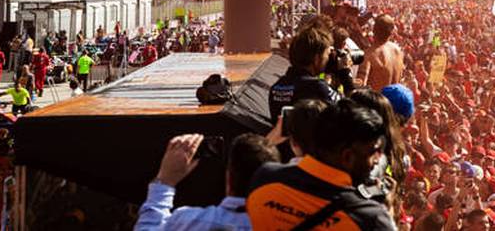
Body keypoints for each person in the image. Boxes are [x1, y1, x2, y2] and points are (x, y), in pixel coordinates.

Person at [247, 100, 394, 231]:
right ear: (347, 157)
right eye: (374, 152)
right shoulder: (369, 220)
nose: (378, 159)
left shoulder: (264, 178)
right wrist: (388, 210)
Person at [137, 133, 279, 231]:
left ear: (228, 178)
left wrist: (165, 180)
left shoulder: (188, 222)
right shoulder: (290, 223)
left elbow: (148, 227)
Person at [268, 23, 348, 122]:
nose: (329, 59)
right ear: (316, 58)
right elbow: (351, 112)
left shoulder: (277, 87)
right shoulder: (316, 87)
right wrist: (346, 76)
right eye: (327, 55)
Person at [361, 15, 405, 91]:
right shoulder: (398, 51)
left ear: (374, 30)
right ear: (391, 33)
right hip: (394, 101)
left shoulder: (369, 55)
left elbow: (361, 87)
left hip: (376, 101)